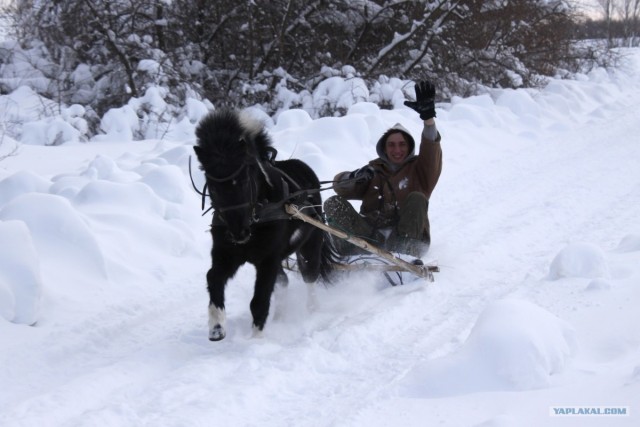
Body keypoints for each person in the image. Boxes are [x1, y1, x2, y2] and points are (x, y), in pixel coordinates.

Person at [324, 81, 442, 258]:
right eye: (391, 145)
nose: (397, 150)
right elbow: (340, 188)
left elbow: (431, 149)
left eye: (402, 145)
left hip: (406, 239)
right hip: (371, 238)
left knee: (417, 198)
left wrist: (428, 120)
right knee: (333, 203)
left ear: (409, 147)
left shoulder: (421, 170)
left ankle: (403, 258)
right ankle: (349, 256)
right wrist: (354, 176)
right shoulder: (374, 170)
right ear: (384, 149)